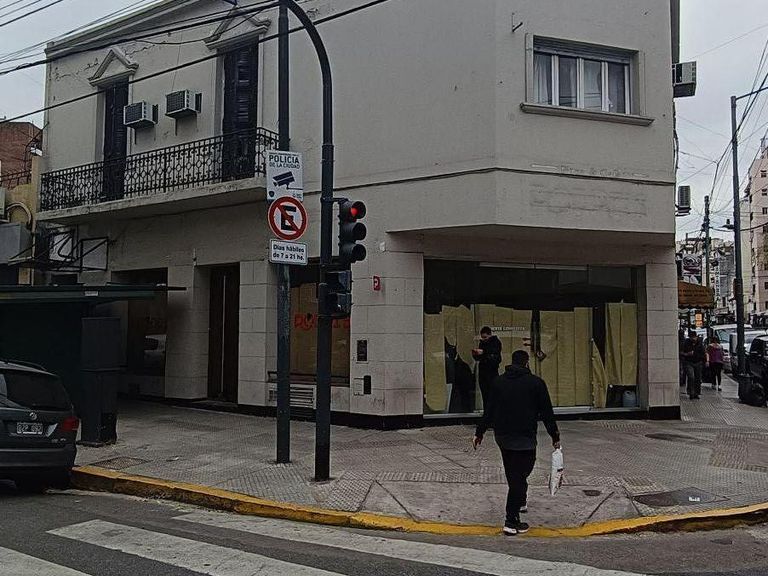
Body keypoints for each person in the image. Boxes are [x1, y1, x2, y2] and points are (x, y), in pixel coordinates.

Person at [472, 350, 560, 536]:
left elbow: (489, 410)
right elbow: (547, 412)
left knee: (515, 473)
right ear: (527, 363)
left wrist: (479, 432)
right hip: (525, 437)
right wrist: (555, 436)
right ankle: (511, 521)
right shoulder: (536, 383)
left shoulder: (498, 382)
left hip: (503, 436)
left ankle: (520, 500)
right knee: (520, 474)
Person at [472, 326, 502, 407]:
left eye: (485, 337)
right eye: (482, 337)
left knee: (491, 396)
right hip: (484, 372)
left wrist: (483, 353)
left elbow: (495, 358)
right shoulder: (483, 343)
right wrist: (476, 354)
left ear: (490, 335)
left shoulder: (495, 343)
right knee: (485, 395)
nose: (484, 339)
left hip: (491, 373)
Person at [681, 330, 706, 400]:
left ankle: (696, 393)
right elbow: (681, 352)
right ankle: (691, 392)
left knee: (698, 378)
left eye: (694, 337)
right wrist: (687, 354)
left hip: (698, 362)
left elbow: (703, 353)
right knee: (691, 377)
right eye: (692, 337)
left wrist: (704, 361)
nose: (693, 338)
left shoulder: (700, 343)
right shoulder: (686, 343)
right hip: (689, 362)